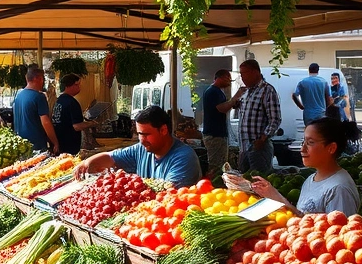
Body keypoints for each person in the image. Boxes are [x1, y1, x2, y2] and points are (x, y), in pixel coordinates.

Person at [249, 117, 361, 215]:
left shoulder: (339, 189)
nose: (302, 149)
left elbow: (338, 234)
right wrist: (274, 196)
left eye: (310, 142)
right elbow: (303, 220)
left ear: (331, 148)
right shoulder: (310, 180)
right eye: (304, 142)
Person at [74, 106, 202, 187]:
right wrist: (86, 163)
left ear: (163, 130)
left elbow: (168, 194)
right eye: (139, 134)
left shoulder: (184, 157)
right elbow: (111, 157)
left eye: (146, 134)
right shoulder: (141, 148)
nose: (142, 139)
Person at [234, 59, 283, 175]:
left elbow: (275, 119)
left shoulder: (267, 90)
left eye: (244, 73)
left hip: (259, 147)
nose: (242, 78)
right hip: (244, 147)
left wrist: (263, 139)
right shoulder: (246, 92)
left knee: (260, 181)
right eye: (241, 74)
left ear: (255, 72)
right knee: (244, 183)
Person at [202, 70, 244, 178]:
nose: (229, 82)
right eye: (228, 79)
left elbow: (224, 106)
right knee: (216, 166)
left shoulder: (218, 92)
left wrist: (233, 104)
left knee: (221, 164)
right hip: (214, 134)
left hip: (219, 133)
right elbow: (221, 108)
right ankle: (212, 187)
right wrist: (236, 96)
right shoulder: (212, 92)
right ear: (220, 77)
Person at [13, 65, 60, 153]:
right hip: (36, 145)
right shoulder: (39, 97)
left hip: (21, 144)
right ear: (37, 79)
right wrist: (55, 142)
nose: (43, 82)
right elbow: (45, 122)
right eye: (43, 79)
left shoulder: (18, 95)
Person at [51, 74, 97, 156]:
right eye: (77, 85)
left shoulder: (58, 100)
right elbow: (77, 126)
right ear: (69, 86)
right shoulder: (72, 102)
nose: (79, 87)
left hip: (59, 141)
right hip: (69, 145)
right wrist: (91, 123)